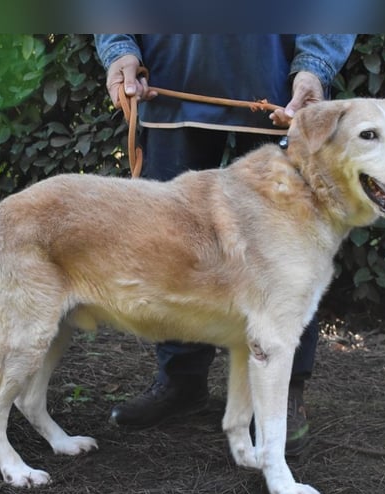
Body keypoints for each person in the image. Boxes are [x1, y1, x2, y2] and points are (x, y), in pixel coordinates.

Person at [93, 34, 356, 456]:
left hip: (283, 95)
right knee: (174, 248)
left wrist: (315, 66)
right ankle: (182, 379)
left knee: (288, 250)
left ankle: (284, 392)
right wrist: (119, 48)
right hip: (170, 89)